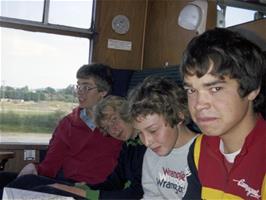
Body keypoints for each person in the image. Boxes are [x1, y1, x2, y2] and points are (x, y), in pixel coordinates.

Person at [1, 64, 122, 197]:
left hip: (96, 190)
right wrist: (35, 168)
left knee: (34, 189)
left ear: (103, 92)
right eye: (79, 86)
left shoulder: (117, 124)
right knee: (7, 180)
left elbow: (123, 168)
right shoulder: (68, 123)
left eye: (86, 87)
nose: (80, 91)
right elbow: (52, 163)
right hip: (66, 183)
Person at [180, 28, 266, 199]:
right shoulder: (199, 148)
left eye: (215, 88)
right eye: (191, 90)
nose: (198, 105)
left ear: (252, 89)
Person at [42, 95, 146, 199]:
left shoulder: (146, 145)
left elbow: (138, 192)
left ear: (126, 114)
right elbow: (115, 181)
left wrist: (90, 195)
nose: (114, 130)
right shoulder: (128, 146)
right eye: (107, 127)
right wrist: (87, 188)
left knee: (50, 191)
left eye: (114, 119)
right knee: (31, 181)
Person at [128, 76, 198, 199]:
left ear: (179, 116)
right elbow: (152, 196)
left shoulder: (205, 153)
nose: (147, 142)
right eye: (140, 133)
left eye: (153, 130)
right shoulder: (152, 154)